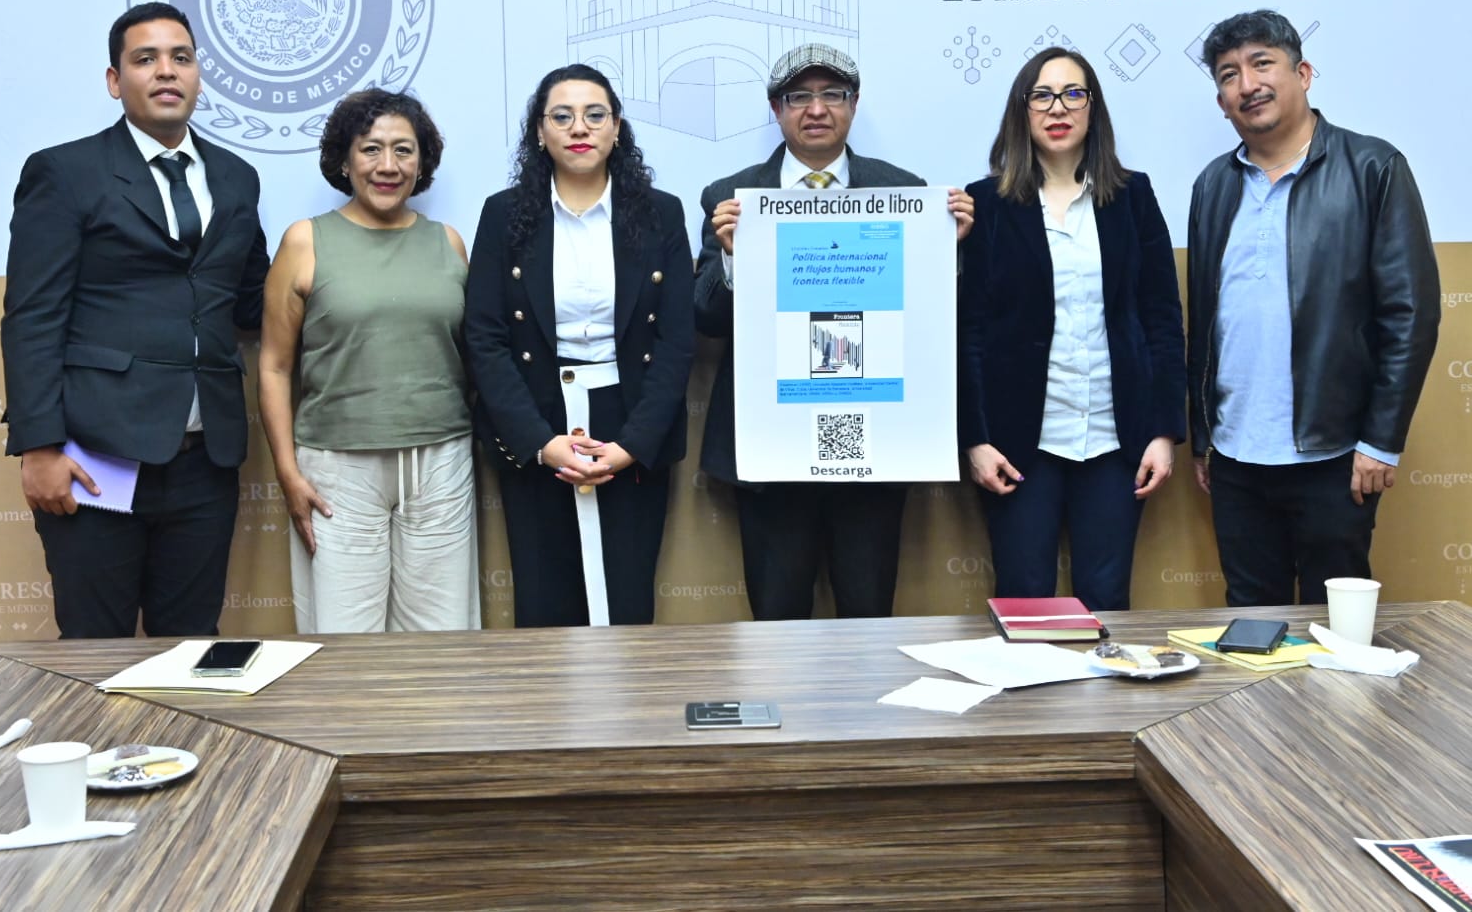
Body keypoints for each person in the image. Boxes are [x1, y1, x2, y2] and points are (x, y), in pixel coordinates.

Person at [1, 2, 270, 638]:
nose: (166, 71)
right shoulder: (65, 172)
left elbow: (252, 301)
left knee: (191, 648)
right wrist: (39, 445)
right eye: (145, 59)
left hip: (206, 460)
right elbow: (33, 315)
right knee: (95, 648)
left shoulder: (237, 178)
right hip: (96, 455)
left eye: (181, 57)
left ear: (198, 75)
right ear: (114, 81)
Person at [693, 43, 974, 621]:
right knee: (777, 624)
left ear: (854, 103)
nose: (816, 109)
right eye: (799, 96)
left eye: (832, 94)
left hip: (871, 436)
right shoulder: (732, 197)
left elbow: (935, 318)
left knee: (868, 620)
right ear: (776, 109)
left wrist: (947, 251)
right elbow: (706, 318)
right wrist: (732, 259)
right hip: (774, 438)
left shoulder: (904, 190)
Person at [1188, 9, 1440, 606]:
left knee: (1335, 625)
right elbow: (1204, 323)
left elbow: (1410, 315)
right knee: (1252, 622)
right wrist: (1203, 437)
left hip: (1336, 452)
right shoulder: (1212, 185)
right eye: (1229, 74)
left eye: (1262, 64)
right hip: (1235, 455)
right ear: (1221, 102)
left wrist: (1380, 442)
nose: (1247, 84)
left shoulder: (1373, 168)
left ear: (1302, 73)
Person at [464, 64, 694, 626]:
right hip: (537, 418)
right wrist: (540, 443)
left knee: (628, 599)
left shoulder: (661, 213)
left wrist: (631, 445)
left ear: (617, 127)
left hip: (629, 417)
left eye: (595, 114)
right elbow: (485, 339)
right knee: (544, 603)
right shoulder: (504, 214)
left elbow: (675, 342)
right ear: (539, 131)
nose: (579, 128)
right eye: (562, 116)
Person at [958, 47, 1185, 611]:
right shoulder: (985, 204)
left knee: (1106, 602)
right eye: (1041, 95)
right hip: (1019, 443)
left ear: (1092, 107)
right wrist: (976, 439)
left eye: (1072, 93)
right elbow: (970, 333)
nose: (1057, 107)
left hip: (1114, 439)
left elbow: (1161, 319)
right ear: (1022, 110)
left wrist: (1163, 430)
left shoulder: (1133, 196)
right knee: (1025, 602)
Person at [258, 89, 479, 634]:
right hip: (337, 468)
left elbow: (474, 356)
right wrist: (287, 472)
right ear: (344, 159)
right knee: (345, 637)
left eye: (403, 150)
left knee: (441, 638)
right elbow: (275, 367)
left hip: (441, 461)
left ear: (422, 163)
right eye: (371, 148)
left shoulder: (449, 243)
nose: (388, 165)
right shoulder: (305, 241)